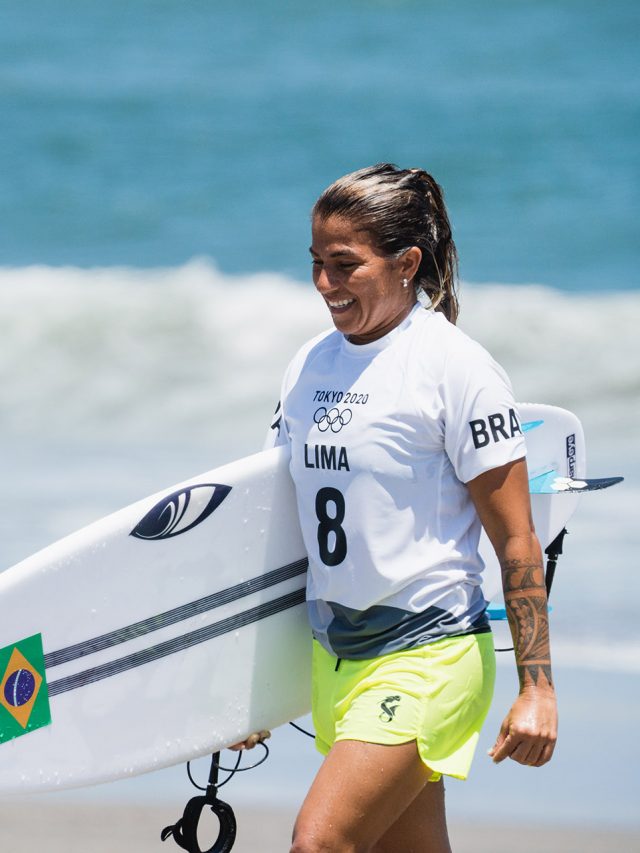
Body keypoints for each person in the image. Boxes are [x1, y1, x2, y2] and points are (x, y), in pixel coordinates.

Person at [237, 163, 557, 853]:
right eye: (317, 264)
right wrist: (250, 687)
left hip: (430, 655)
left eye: (345, 265)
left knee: (317, 842)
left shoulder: (454, 368)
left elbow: (518, 539)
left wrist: (539, 691)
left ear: (407, 262)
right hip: (337, 656)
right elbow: (278, 531)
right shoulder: (308, 367)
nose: (325, 284)